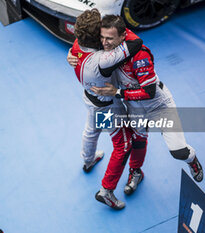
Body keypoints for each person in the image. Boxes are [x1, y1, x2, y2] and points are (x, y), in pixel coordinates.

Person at [90, 15, 204, 182]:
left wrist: (117, 93)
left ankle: (192, 159)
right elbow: (82, 45)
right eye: (102, 37)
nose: (104, 42)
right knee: (138, 140)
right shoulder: (109, 46)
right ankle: (136, 171)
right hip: (135, 106)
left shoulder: (139, 55)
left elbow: (149, 91)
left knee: (178, 152)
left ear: (123, 36)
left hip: (159, 106)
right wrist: (72, 54)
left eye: (109, 38)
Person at [69, 8, 146, 210]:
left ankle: (88, 160)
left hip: (90, 99)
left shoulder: (77, 45)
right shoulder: (102, 61)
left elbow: (73, 51)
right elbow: (136, 42)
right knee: (124, 145)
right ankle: (107, 190)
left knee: (91, 130)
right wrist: (118, 28)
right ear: (97, 36)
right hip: (108, 108)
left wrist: (69, 55)